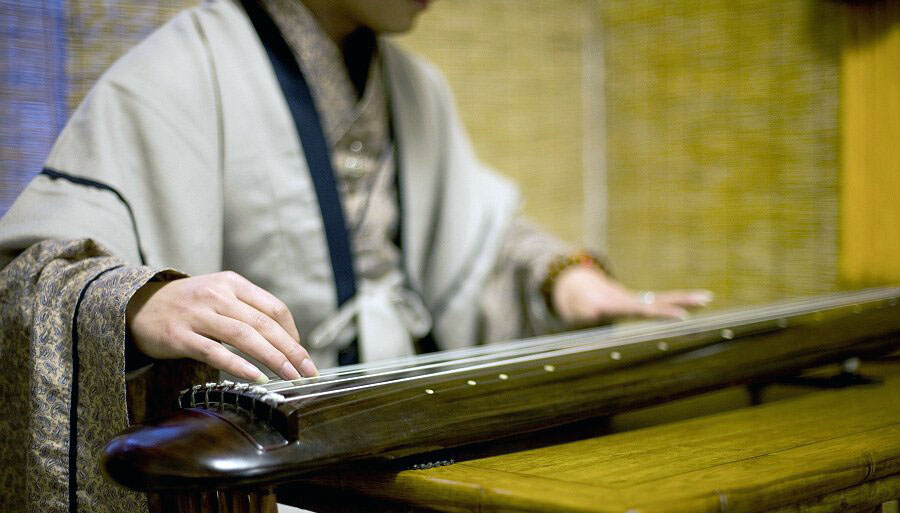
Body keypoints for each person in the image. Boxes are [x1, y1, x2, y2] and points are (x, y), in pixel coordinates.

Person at [0, 0, 711, 511]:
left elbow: (483, 240)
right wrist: (140, 298)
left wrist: (563, 280)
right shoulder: (185, 63)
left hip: (413, 438)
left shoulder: (414, 85)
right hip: (278, 471)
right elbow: (38, 274)